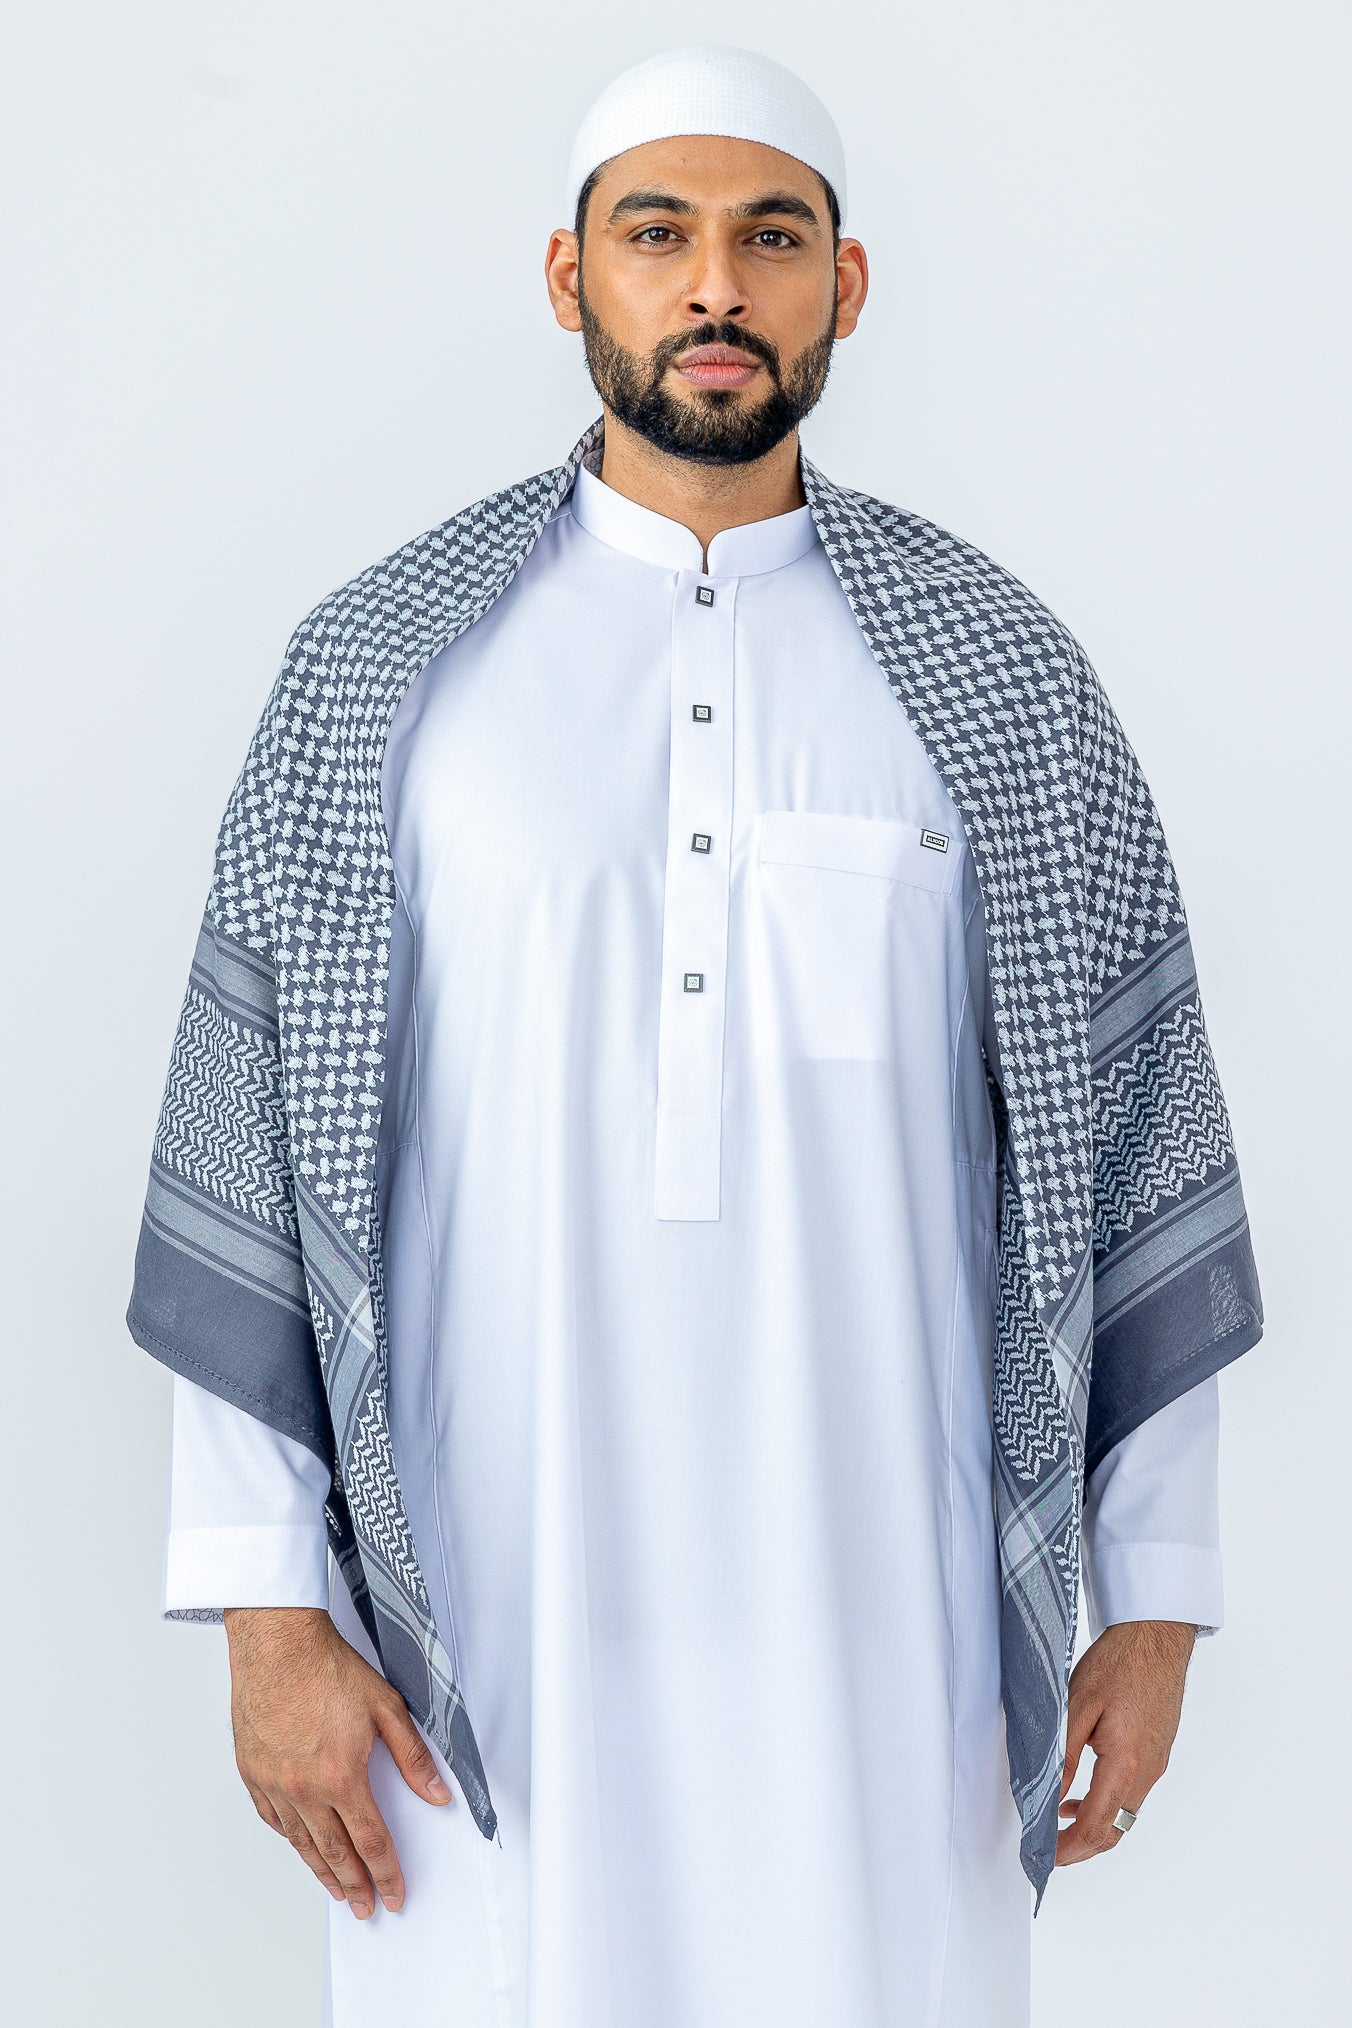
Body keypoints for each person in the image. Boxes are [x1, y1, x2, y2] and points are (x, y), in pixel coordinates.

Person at [130, 43, 1263, 2028]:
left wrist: (1152, 1598)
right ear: (569, 277)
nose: (717, 286)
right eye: (658, 236)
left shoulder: (1003, 681)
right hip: (482, 1634)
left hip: (890, 1635)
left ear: (848, 285)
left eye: (773, 238)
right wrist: (264, 1610)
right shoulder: (381, 674)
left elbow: (1135, 1142)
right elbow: (259, 1151)